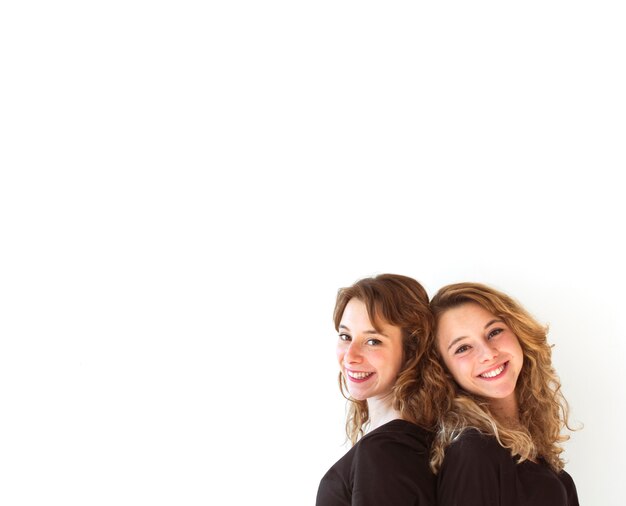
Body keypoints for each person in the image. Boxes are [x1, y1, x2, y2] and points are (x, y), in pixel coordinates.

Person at [428, 282, 579, 506]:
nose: (488, 354)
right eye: (462, 348)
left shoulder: (544, 465)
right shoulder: (472, 453)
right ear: (444, 370)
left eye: (494, 332)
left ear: (518, 333)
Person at [316, 274, 443, 506]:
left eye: (373, 341)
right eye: (346, 336)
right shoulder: (398, 442)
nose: (350, 356)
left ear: (411, 350)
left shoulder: (386, 451)